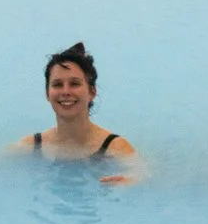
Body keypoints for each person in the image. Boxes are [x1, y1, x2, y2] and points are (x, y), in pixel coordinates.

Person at [16, 42, 135, 184]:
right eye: (57, 85)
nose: (66, 92)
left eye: (74, 84)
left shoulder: (114, 147)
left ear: (92, 92)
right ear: (47, 94)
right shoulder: (33, 146)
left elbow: (143, 175)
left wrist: (130, 182)